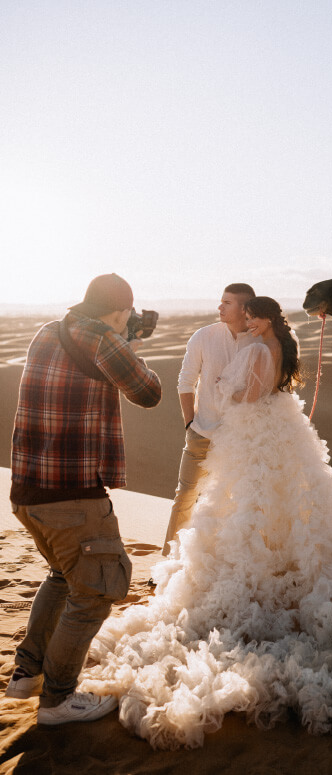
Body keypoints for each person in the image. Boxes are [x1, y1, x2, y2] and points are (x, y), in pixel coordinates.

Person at [82, 297, 332, 750]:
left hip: (256, 435)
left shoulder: (257, 349)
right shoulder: (282, 347)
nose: (249, 322)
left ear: (265, 319)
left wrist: (224, 387)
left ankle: (264, 572)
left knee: (253, 507)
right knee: (284, 505)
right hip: (280, 432)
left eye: (253, 316)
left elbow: (249, 395)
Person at [6, 273, 162, 725]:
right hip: (71, 493)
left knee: (62, 574)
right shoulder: (104, 340)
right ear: (118, 312)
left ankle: (27, 675)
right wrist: (125, 339)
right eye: (126, 314)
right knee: (97, 589)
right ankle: (56, 700)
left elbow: (88, 357)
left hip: (28, 491)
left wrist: (120, 332)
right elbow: (148, 392)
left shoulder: (47, 331)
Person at [162, 283, 256, 555]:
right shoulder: (203, 336)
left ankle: (221, 561)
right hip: (202, 432)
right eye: (221, 301)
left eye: (227, 302)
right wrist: (190, 423)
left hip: (241, 438)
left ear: (244, 309)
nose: (220, 307)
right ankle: (167, 562)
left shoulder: (259, 341)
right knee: (185, 497)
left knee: (236, 503)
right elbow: (185, 381)